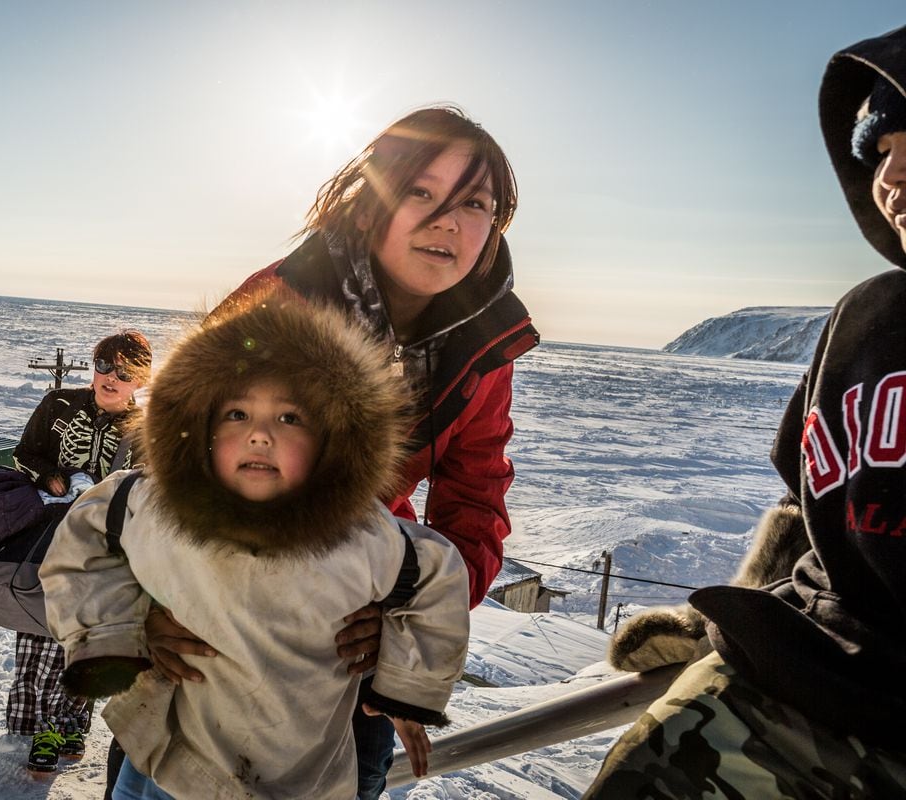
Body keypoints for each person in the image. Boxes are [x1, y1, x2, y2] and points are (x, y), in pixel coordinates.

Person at [147, 105, 539, 797]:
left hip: (350, 635)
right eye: (421, 191)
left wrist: (409, 617)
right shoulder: (276, 306)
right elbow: (165, 465)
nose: (447, 219)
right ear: (369, 206)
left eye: (474, 202)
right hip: (217, 621)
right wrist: (150, 600)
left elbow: (475, 500)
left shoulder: (482, 346)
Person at [585, 24, 906, 797]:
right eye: (879, 154)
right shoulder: (864, 316)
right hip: (800, 686)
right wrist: (722, 625)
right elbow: (805, 510)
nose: (890, 178)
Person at [39, 294, 471, 799]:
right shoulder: (153, 505)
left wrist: (404, 682)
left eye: (290, 418)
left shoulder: (357, 534)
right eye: (238, 414)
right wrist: (122, 628)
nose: (260, 436)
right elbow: (82, 544)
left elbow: (437, 577)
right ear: (200, 426)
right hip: (169, 766)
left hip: (299, 778)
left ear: (332, 439)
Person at [8, 329, 152, 774]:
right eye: (104, 364)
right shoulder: (59, 405)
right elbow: (24, 454)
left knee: (83, 636)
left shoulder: (146, 428)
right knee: (42, 636)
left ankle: (68, 725)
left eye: (124, 370)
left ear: (140, 379)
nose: (111, 376)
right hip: (48, 539)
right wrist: (51, 477)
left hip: (106, 551)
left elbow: (150, 486)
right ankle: (46, 726)